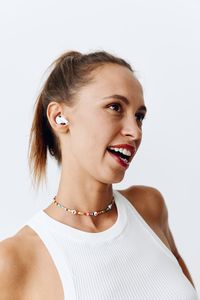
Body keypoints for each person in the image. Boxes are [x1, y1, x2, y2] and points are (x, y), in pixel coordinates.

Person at [0, 50, 198, 300]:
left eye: (139, 117)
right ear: (59, 118)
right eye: (115, 107)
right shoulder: (16, 260)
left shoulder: (149, 208)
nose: (135, 132)